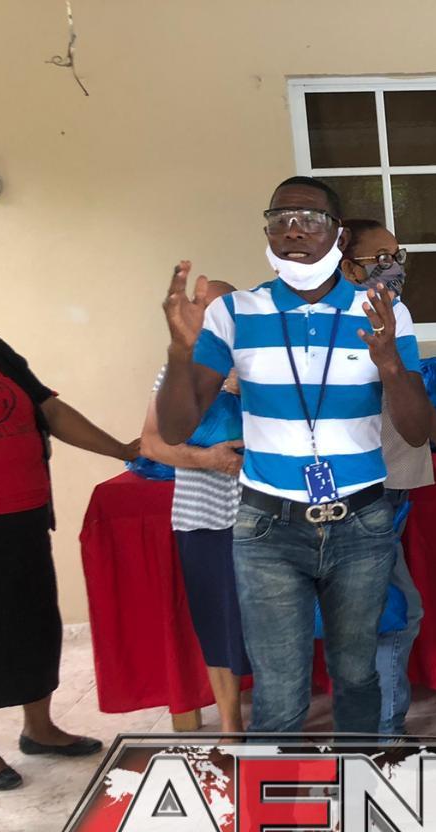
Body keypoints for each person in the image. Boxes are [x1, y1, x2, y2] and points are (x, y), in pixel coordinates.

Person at [156, 176, 432, 832]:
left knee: (355, 677)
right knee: (277, 699)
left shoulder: (382, 310)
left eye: (311, 218)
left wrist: (389, 360)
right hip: (268, 526)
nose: (295, 230)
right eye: (281, 218)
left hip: (362, 522)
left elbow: (415, 429)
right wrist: (179, 351)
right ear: (269, 231)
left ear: (338, 232)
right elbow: (176, 424)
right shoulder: (234, 313)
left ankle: (355, 821)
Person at [340, 218, 436, 735]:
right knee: (394, 611)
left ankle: (375, 726)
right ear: (348, 264)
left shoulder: (394, 311)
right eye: (380, 258)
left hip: (391, 480)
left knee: (381, 608)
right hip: (357, 487)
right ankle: (383, 731)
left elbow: (411, 392)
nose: (394, 267)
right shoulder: (328, 319)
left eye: (398, 256)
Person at [0, 334, 139, 790]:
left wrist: (122, 450)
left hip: (23, 513)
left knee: (34, 622)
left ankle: (39, 729)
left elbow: (49, 411)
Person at [141, 281, 250, 734]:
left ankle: (284, 716)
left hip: (270, 518)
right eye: (205, 306)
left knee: (279, 621)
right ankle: (231, 725)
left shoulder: (266, 365)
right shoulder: (176, 375)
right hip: (203, 518)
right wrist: (208, 459)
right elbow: (151, 445)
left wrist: (246, 387)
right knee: (216, 622)